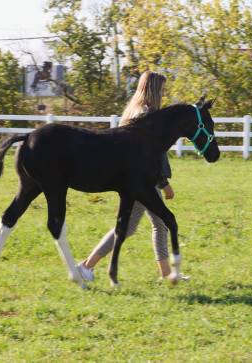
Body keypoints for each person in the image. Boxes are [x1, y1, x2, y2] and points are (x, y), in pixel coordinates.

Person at [77, 71, 187, 282]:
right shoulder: (145, 114)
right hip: (142, 179)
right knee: (141, 226)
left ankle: (166, 273)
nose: (163, 94)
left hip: (137, 178)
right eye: (162, 90)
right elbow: (153, 154)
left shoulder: (134, 111)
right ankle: (86, 266)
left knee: (142, 226)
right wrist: (164, 183)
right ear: (154, 89)